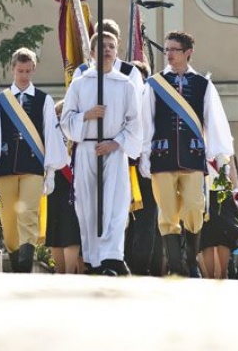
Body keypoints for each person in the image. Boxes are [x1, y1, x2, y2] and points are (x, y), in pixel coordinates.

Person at [140, 30, 234, 277]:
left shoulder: (203, 85)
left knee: (194, 209)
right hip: (162, 157)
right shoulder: (155, 84)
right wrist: (144, 154)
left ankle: (190, 260)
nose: (168, 54)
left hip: (193, 158)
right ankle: (177, 266)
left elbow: (214, 121)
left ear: (188, 53)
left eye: (174, 50)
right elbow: (145, 122)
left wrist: (220, 156)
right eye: (166, 49)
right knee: (167, 212)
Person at [0, 48, 68, 273]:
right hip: (6, 166)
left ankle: (26, 264)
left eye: (28, 71)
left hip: (33, 166)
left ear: (33, 69)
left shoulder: (44, 100)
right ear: (12, 69)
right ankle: (17, 261)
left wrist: (52, 171)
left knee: (28, 213)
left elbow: (50, 135)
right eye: (20, 71)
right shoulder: (0, 100)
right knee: (9, 218)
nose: (24, 76)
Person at [60, 31, 141, 276]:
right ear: (92, 52)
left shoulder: (125, 85)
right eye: (102, 47)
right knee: (88, 205)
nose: (107, 50)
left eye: (112, 47)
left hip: (114, 151)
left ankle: (112, 257)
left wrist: (116, 143)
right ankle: (95, 258)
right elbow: (65, 120)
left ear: (116, 52)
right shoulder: (80, 83)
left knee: (115, 204)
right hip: (87, 149)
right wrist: (88, 115)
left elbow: (135, 123)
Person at [123, 59, 164, 276]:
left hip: (146, 169)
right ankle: (125, 262)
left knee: (147, 219)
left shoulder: (153, 103)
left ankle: (141, 267)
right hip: (122, 167)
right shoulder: (121, 100)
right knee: (123, 220)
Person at [198, 157, 238, 279]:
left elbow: (233, 167)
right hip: (203, 194)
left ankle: (223, 276)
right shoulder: (199, 140)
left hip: (223, 195)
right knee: (206, 238)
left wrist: (236, 190)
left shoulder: (225, 140)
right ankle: (209, 279)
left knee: (224, 236)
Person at [45, 100, 83, 274]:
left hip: (74, 184)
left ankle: (69, 272)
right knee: (54, 231)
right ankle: (60, 271)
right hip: (55, 183)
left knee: (71, 230)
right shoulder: (50, 132)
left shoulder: (78, 130)